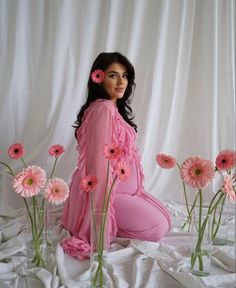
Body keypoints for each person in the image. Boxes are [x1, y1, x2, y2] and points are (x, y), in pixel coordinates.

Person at [61, 52, 171, 260]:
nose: (122, 81)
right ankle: (101, 220)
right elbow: (97, 165)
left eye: (125, 75)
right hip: (109, 193)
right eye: (113, 75)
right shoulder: (103, 109)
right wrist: (98, 222)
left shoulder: (111, 109)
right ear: (99, 78)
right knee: (158, 228)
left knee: (166, 219)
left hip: (125, 191)